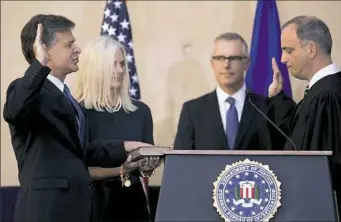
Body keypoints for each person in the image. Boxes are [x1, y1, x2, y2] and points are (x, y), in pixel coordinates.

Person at [3, 14, 151, 222]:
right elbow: (13, 110)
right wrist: (38, 65)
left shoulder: (67, 98)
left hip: (77, 210)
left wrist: (126, 146)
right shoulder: (28, 92)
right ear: (45, 51)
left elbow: (80, 151)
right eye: (69, 44)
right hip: (46, 213)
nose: (78, 49)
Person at [73, 35, 161, 222]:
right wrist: (122, 160)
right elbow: (79, 163)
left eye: (122, 64)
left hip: (133, 205)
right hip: (91, 205)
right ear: (96, 69)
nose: (120, 70)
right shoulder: (78, 112)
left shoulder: (141, 111)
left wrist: (149, 163)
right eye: (113, 65)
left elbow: (145, 167)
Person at [267, 15, 341, 218]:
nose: (282, 59)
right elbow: (297, 135)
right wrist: (276, 99)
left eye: (288, 50)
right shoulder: (322, 92)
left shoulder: (325, 96)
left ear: (310, 49)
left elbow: (317, 168)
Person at [174, 32, 278, 150]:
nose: (226, 65)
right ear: (212, 63)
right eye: (220, 58)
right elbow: (180, 163)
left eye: (233, 58)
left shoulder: (265, 108)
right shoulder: (192, 111)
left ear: (247, 63)